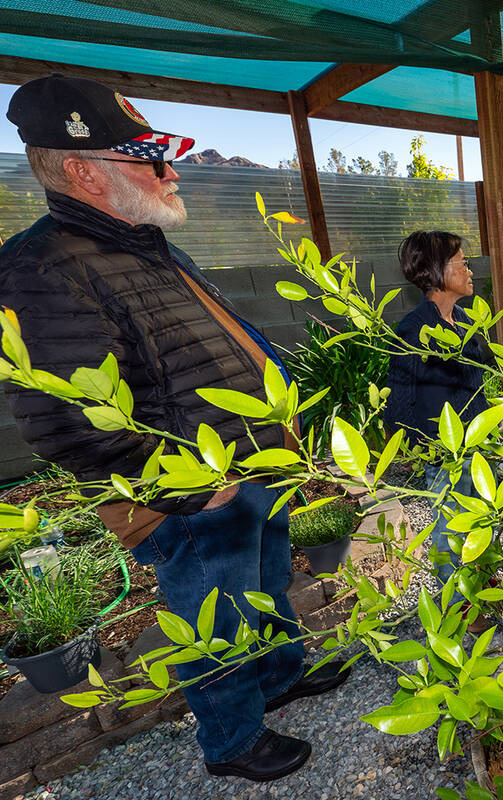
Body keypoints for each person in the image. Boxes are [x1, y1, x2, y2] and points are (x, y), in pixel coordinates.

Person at [0, 75, 348, 782]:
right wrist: (187, 492)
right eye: (150, 160)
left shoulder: (144, 244)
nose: (171, 170)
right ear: (81, 171)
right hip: (191, 487)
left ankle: (278, 678)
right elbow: (64, 417)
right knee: (213, 617)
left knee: (266, 585)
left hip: (248, 464)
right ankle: (231, 741)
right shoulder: (44, 267)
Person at [383, 231, 496, 630]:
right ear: (436, 271)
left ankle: (480, 583)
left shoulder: (464, 320)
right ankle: (459, 602)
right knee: (450, 526)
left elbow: (477, 382)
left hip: (477, 442)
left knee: (481, 516)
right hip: (443, 450)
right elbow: (399, 398)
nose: (469, 269)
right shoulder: (414, 330)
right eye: (461, 262)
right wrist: (415, 448)